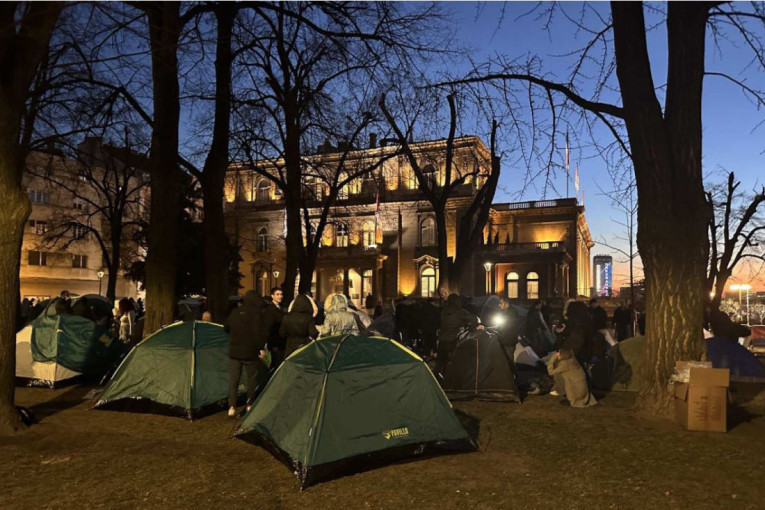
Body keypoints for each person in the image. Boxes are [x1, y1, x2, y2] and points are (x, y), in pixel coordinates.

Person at [223, 290, 268, 418]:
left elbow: (226, 327)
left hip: (235, 351)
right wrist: (260, 348)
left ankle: (231, 406)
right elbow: (258, 333)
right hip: (249, 351)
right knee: (252, 378)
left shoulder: (235, 312)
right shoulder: (256, 314)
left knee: (234, 380)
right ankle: (249, 404)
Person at [438, 294, 483, 375]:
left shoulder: (444, 311)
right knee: (455, 363)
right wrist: (474, 325)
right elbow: (473, 319)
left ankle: (438, 379)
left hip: (442, 340)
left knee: (441, 362)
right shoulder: (460, 312)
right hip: (453, 340)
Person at [263, 287, 285, 368]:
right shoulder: (270, 310)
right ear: (272, 296)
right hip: (275, 343)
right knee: (275, 364)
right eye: (277, 294)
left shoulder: (280, 308)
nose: (280, 296)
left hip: (280, 342)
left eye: (281, 294)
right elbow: (269, 328)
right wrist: (273, 344)